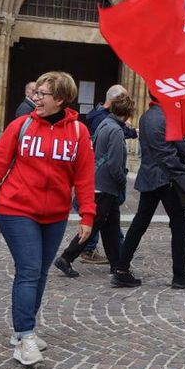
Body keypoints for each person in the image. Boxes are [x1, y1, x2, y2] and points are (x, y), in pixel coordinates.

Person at [0, 71, 95, 367]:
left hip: (55, 215)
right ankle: (25, 336)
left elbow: (85, 177)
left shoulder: (79, 132)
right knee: (28, 269)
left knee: (39, 272)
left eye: (42, 94)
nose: (35, 98)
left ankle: (22, 331)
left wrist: (87, 214)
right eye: (35, 93)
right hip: (16, 209)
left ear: (60, 99)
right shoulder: (21, 125)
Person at [111, 96, 185, 289]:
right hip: (168, 177)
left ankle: (121, 269)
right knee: (179, 225)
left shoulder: (145, 117)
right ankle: (180, 275)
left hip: (149, 175)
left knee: (140, 222)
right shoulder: (170, 117)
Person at [53, 92, 135, 278]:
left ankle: (117, 264)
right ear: (127, 113)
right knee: (95, 223)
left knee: (111, 226)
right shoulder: (115, 130)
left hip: (100, 182)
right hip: (105, 185)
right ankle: (66, 257)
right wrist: (122, 180)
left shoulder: (105, 123)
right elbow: (115, 164)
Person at [80, 84, 135, 263]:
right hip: (104, 180)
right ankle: (75, 253)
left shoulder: (100, 117)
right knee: (99, 219)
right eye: (123, 98)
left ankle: (118, 258)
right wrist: (121, 180)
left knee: (108, 219)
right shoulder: (108, 123)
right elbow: (112, 158)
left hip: (100, 177)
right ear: (115, 100)